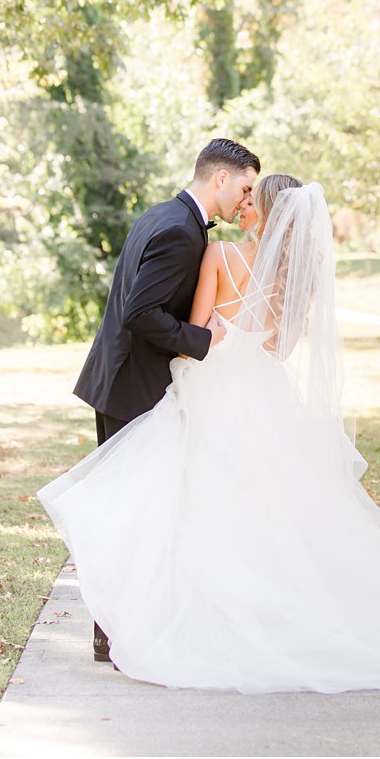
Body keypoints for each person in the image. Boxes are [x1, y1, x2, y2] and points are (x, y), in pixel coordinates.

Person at [43, 173, 380, 693]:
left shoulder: (220, 257)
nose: (244, 204)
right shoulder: (297, 278)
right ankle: (265, 614)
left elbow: (191, 339)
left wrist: (211, 339)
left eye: (250, 199)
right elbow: (280, 350)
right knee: (265, 512)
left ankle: (179, 617)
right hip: (263, 396)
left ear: (262, 210)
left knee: (185, 503)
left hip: (209, 387)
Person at [71, 137, 260, 663]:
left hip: (119, 380)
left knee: (131, 509)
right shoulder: (180, 232)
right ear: (219, 178)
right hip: (134, 387)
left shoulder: (163, 215)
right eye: (245, 187)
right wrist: (203, 341)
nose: (246, 200)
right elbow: (140, 312)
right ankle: (112, 632)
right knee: (131, 512)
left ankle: (115, 629)